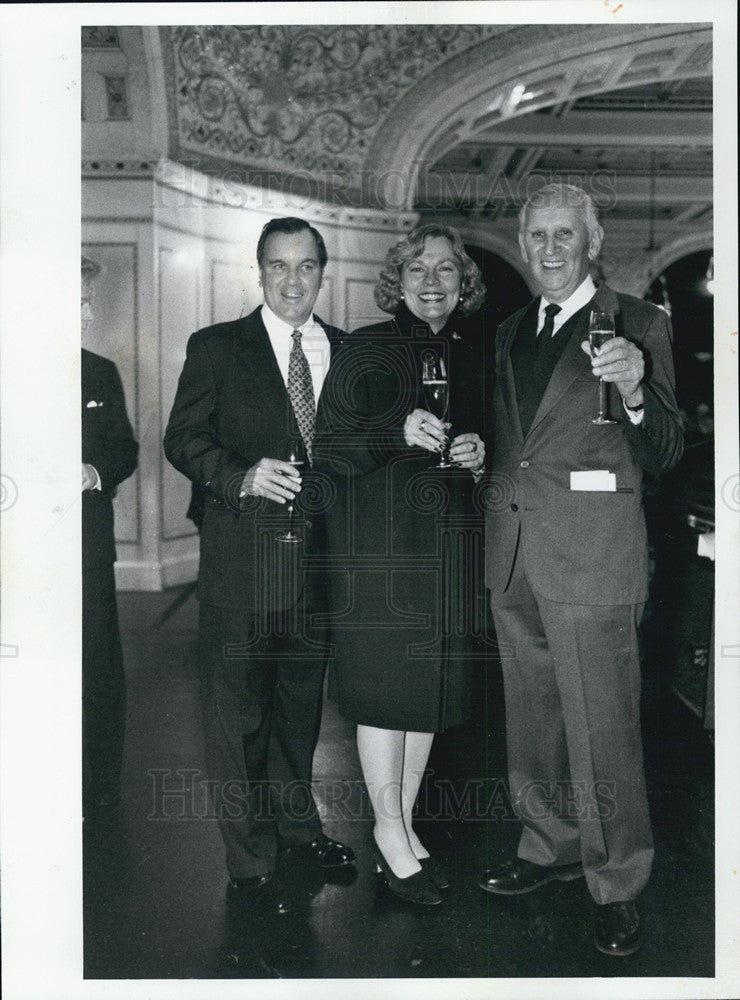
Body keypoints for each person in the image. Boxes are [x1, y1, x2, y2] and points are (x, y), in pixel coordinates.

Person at [479, 183, 684, 955]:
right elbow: (519, 446)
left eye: (566, 234)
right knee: (532, 721)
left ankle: (618, 878)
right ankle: (550, 848)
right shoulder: (508, 331)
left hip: (594, 558)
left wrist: (634, 387)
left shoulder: (641, 322)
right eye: (537, 235)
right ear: (524, 243)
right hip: (515, 554)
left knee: (603, 729)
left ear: (592, 242)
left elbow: (664, 448)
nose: (550, 248)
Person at [163, 217, 355, 915]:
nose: (293, 280)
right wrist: (240, 476)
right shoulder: (217, 347)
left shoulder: (347, 351)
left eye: (306, 266)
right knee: (237, 714)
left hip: (319, 567)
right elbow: (181, 437)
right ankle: (250, 860)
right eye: (279, 266)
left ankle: (299, 833)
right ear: (260, 271)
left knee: (298, 710)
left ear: (323, 273)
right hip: (243, 560)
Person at [315, 224, 490, 905]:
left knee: (423, 698)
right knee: (385, 697)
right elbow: (328, 447)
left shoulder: (470, 353)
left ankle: (402, 822)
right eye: (418, 267)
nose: (431, 280)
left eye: (446, 270)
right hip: (379, 554)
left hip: (443, 553)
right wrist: (396, 432)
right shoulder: (365, 347)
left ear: (462, 283)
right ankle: (388, 833)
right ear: (398, 279)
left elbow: (488, 439)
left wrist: (479, 452)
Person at [81, 255, 139, 812]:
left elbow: (125, 450)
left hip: (86, 552)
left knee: (98, 671)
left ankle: (100, 790)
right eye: (78, 301)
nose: (89, 313)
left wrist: (94, 473)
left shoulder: (100, 372)